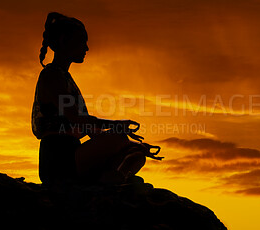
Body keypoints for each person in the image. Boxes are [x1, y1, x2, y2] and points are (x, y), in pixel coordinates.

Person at [31, 12, 162, 186]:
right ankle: (111, 180)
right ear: (64, 41)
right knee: (120, 138)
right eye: (82, 42)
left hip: (75, 153)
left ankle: (113, 179)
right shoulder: (51, 77)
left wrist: (130, 145)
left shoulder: (65, 78)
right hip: (59, 157)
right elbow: (76, 118)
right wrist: (115, 127)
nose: (86, 48)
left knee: (136, 154)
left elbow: (91, 130)